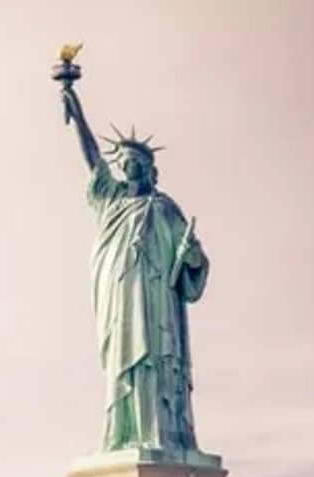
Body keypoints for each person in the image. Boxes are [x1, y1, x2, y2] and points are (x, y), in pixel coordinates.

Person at [60, 82, 209, 455]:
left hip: (157, 300)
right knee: (122, 363)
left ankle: (162, 435)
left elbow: (193, 261)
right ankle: (123, 435)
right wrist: (75, 107)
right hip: (119, 295)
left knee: (156, 363)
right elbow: (92, 157)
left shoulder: (164, 207)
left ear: (150, 170)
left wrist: (190, 255)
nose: (130, 168)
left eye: (137, 164)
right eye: (125, 164)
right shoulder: (110, 201)